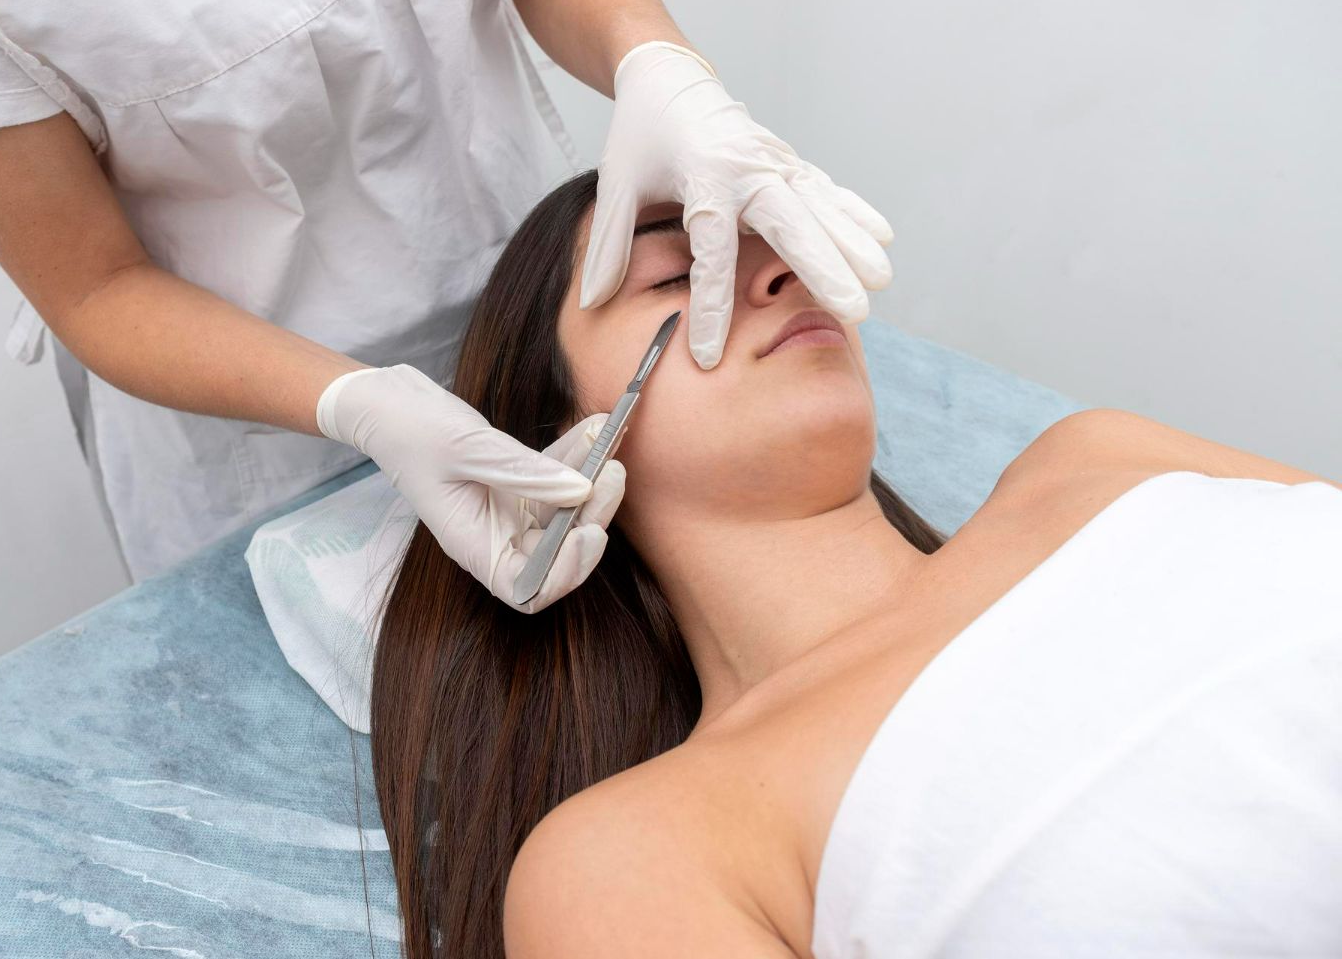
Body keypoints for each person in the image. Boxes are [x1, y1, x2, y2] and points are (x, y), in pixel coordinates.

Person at [367, 169, 1342, 958]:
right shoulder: (639, 852)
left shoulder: (1098, 456)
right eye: (677, 277)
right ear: (550, 448)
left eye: (780, 246)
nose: (782, 275)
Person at [0, 0, 893, 597]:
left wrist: (649, 53)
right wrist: (359, 402)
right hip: (245, 420)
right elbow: (95, 285)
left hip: (506, 271)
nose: (772, 278)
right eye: (668, 281)